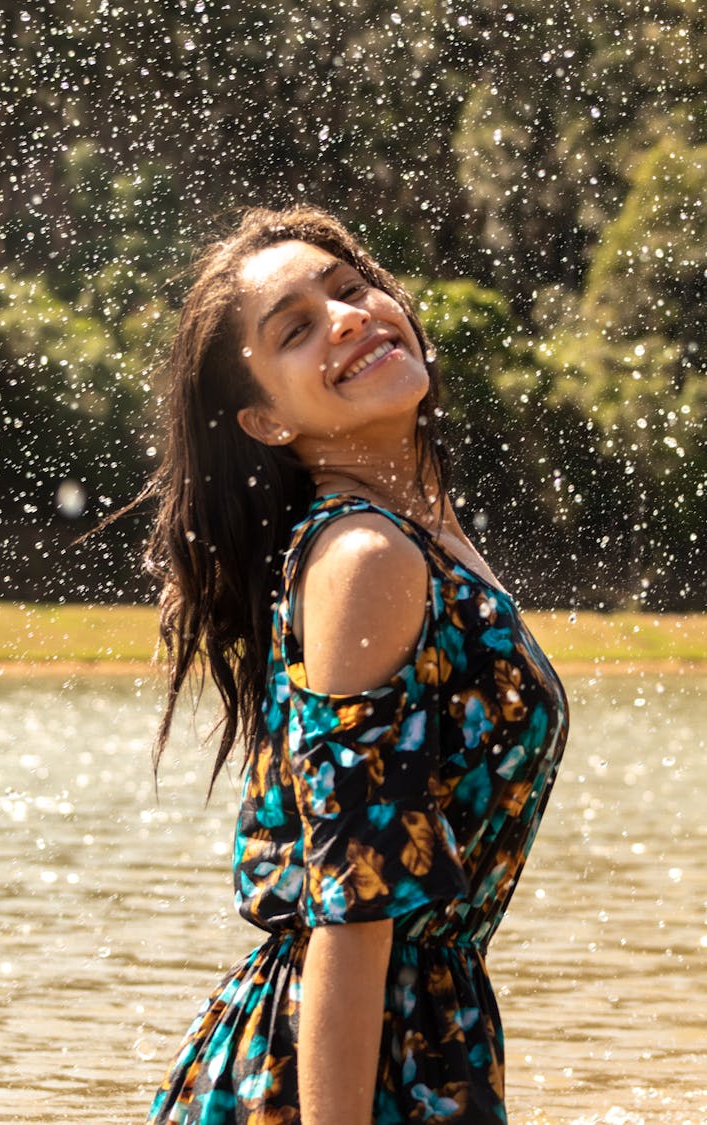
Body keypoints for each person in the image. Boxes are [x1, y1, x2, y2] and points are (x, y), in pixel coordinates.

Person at [137, 206, 569, 1124]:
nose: (348, 315)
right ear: (263, 419)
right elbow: (352, 909)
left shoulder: (414, 538)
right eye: (295, 329)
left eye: (349, 287)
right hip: (343, 1065)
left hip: (410, 1038)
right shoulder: (366, 556)